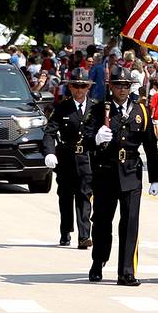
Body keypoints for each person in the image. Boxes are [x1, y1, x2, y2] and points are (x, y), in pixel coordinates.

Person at [84, 69, 158, 286]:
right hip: (105, 172)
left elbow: (151, 147)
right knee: (101, 222)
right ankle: (98, 261)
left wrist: (155, 178)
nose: (123, 89)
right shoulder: (100, 110)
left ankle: (126, 271)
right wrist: (96, 138)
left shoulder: (141, 111)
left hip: (130, 173)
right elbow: (85, 139)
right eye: (118, 85)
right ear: (111, 86)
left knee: (130, 223)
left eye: (126, 85)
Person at [42, 77, 95, 247]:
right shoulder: (62, 108)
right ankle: (65, 231)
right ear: (70, 87)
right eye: (76, 86)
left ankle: (84, 235)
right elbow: (50, 132)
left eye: (83, 86)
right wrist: (49, 152)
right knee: (65, 197)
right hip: (66, 158)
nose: (79, 90)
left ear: (88, 87)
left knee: (84, 195)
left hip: (86, 158)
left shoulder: (96, 108)